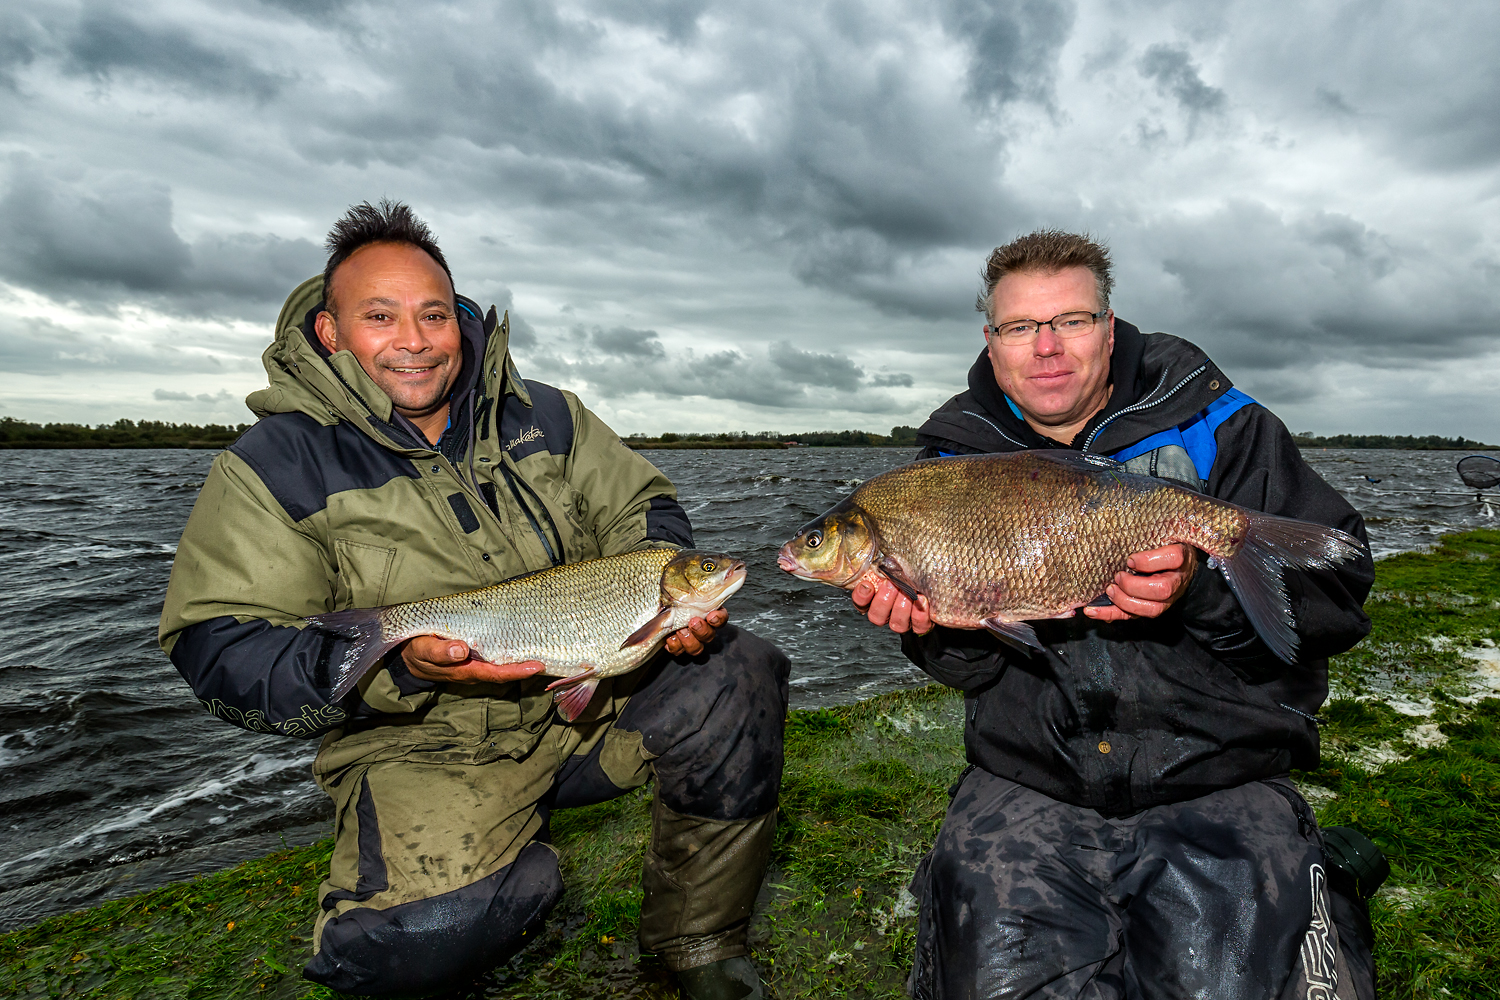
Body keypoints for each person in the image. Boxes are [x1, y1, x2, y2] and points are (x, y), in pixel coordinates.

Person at [159, 200, 788, 999]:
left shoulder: (546, 413)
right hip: (428, 743)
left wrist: (656, 603)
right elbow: (218, 649)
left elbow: (648, 507)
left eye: (433, 314)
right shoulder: (270, 466)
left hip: (591, 703)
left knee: (741, 672)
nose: (414, 341)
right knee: (405, 945)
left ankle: (703, 944)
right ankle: (502, 863)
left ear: (459, 319)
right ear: (331, 333)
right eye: (379, 316)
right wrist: (406, 670)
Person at [854, 230, 1377, 999]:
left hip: (1221, 775)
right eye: (1020, 327)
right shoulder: (945, 470)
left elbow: (1337, 606)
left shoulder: (1222, 425)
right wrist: (931, 633)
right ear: (990, 341)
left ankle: (1317, 879)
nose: (1047, 348)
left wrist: (1202, 591)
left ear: (1108, 326)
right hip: (1029, 779)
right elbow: (977, 666)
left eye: (1069, 320)